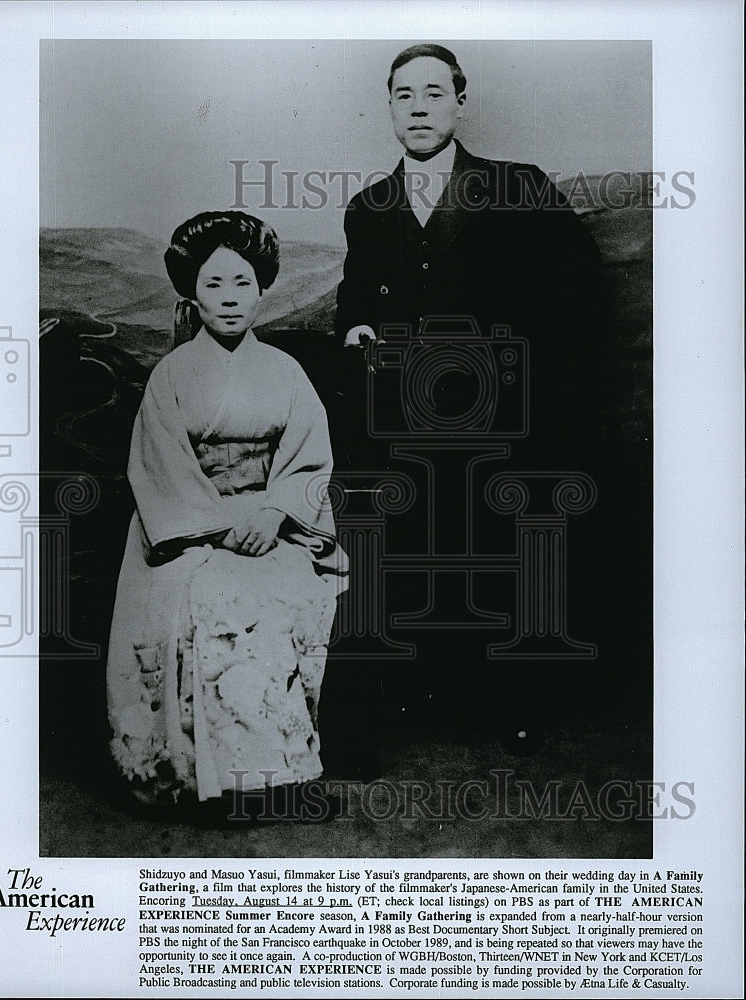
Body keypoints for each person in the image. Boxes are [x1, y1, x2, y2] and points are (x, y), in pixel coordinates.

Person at [106, 211, 347, 821]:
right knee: (211, 592)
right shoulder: (171, 374)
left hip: (270, 520)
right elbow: (159, 467)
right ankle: (197, 777)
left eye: (242, 282)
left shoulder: (286, 373)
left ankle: (273, 775)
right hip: (186, 527)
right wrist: (217, 526)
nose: (230, 299)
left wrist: (273, 514)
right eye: (214, 285)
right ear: (192, 292)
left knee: (280, 590)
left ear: (262, 287)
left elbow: (309, 460)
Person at [335, 43, 604, 466]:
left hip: (512, 432)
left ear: (460, 104)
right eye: (404, 96)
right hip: (406, 437)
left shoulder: (520, 187)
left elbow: (580, 297)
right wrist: (357, 328)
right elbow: (355, 304)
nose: (418, 109)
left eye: (434, 94)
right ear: (390, 106)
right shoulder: (367, 209)